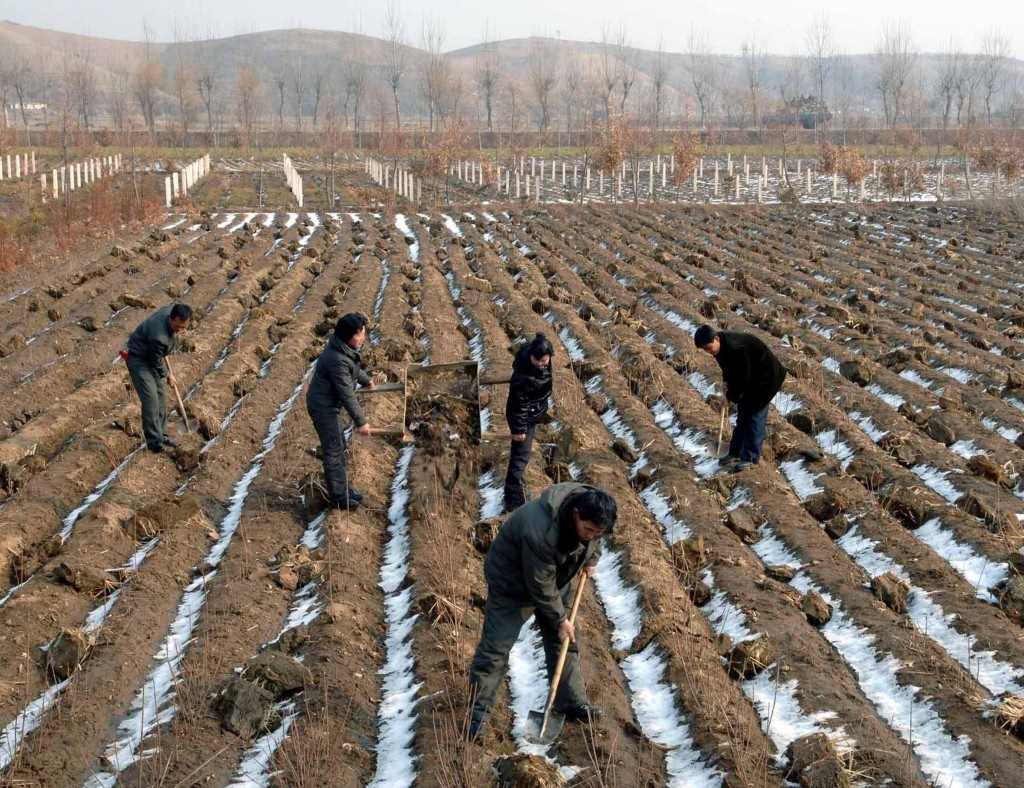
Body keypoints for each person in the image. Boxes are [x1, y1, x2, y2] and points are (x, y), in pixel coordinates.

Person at [468, 483, 617, 739]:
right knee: (494, 651)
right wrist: (559, 618)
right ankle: (477, 718)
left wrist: (590, 559)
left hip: (554, 577)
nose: (592, 535)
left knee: (565, 641)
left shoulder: (593, 515)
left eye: (598, 532)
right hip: (512, 583)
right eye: (589, 529)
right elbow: (540, 584)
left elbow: (596, 541)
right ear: (576, 514)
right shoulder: (539, 530)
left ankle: (569, 702)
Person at [306, 313, 375, 510]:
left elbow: (352, 368)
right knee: (334, 450)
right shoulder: (336, 358)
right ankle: (338, 498)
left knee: (339, 446)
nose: (363, 338)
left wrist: (366, 379)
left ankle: (344, 490)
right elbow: (346, 393)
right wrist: (361, 421)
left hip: (328, 404)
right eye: (359, 334)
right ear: (348, 335)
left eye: (363, 333)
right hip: (323, 407)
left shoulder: (343, 348)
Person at [694, 324, 786, 472]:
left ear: (716, 339)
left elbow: (743, 377)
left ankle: (750, 457)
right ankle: (735, 452)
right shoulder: (719, 348)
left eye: (709, 348)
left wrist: (730, 397)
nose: (708, 352)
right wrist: (726, 383)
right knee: (743, 414)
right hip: (752, 377)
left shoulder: (737, 348)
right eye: (705, 349)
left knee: (754, 415)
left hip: (766, 377)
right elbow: (728, 368)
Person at [125, 303, 193, 453]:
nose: (181, 330)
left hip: (151, 356)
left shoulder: (171, 311)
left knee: (161, 397)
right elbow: (156, 360)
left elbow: (158, 356)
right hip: (139, 360)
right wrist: (168, 375)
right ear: (171, 319)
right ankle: (153, 441)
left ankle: (162, 434)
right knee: (151, 400)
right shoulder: (158, 336)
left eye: (184, 327)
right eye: (178, 327)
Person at [503, 333, 555, 513]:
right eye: (537, 360)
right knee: (520, 455)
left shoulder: (538, 357)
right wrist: (519, 429)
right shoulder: (523, 378)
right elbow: (519, 405)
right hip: (524, 417)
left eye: (545, 360)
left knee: (523, 454)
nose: (541, 364)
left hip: (534, 411)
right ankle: (513, 497)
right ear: (531, 356)